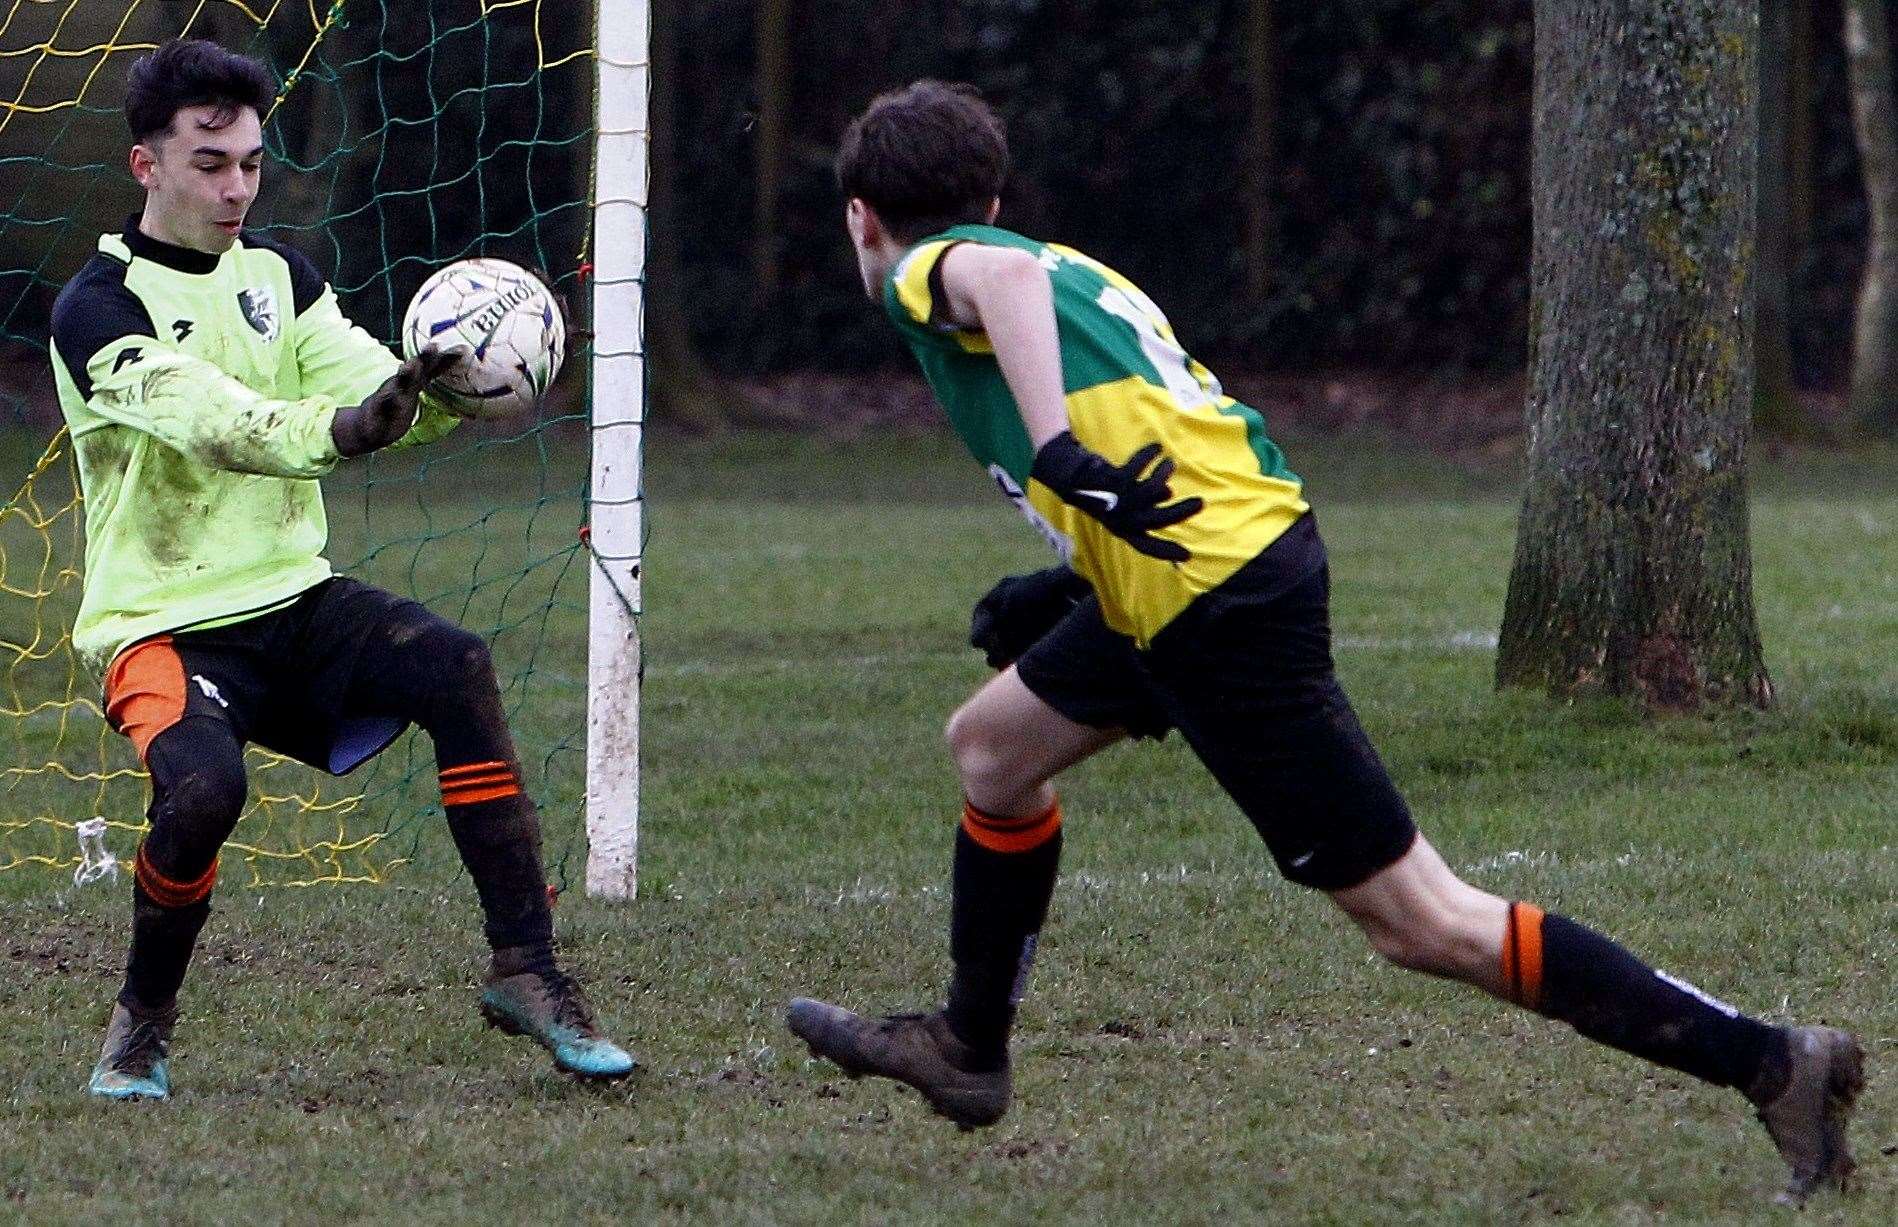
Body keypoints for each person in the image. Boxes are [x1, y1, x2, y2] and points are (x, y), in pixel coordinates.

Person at [786, 80, 1862, 1206]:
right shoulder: (1071, 272)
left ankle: (1771, 1062)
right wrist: (1064, 581)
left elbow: (991, 283)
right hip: (1203, 564)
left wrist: (1051, 453)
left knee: (1422, 923)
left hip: (1213, 600)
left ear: (863, 214)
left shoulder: (938, 270)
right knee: (992, 753)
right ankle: (967, 1050)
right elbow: (1155, 431)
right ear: (992, 191)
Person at [49, 38, 633, 1099]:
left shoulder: (280, 276)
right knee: (200, 795)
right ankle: (141, 1022)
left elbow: (364, 386)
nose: (237, 187)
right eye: (210, 163)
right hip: (162, 625)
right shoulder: (97, 308)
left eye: (251, 164)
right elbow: (212, 422)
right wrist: (345, 428)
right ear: (147, 167)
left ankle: (528, 972)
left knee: (454, 666)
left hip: (295, 598)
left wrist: (433, 388)